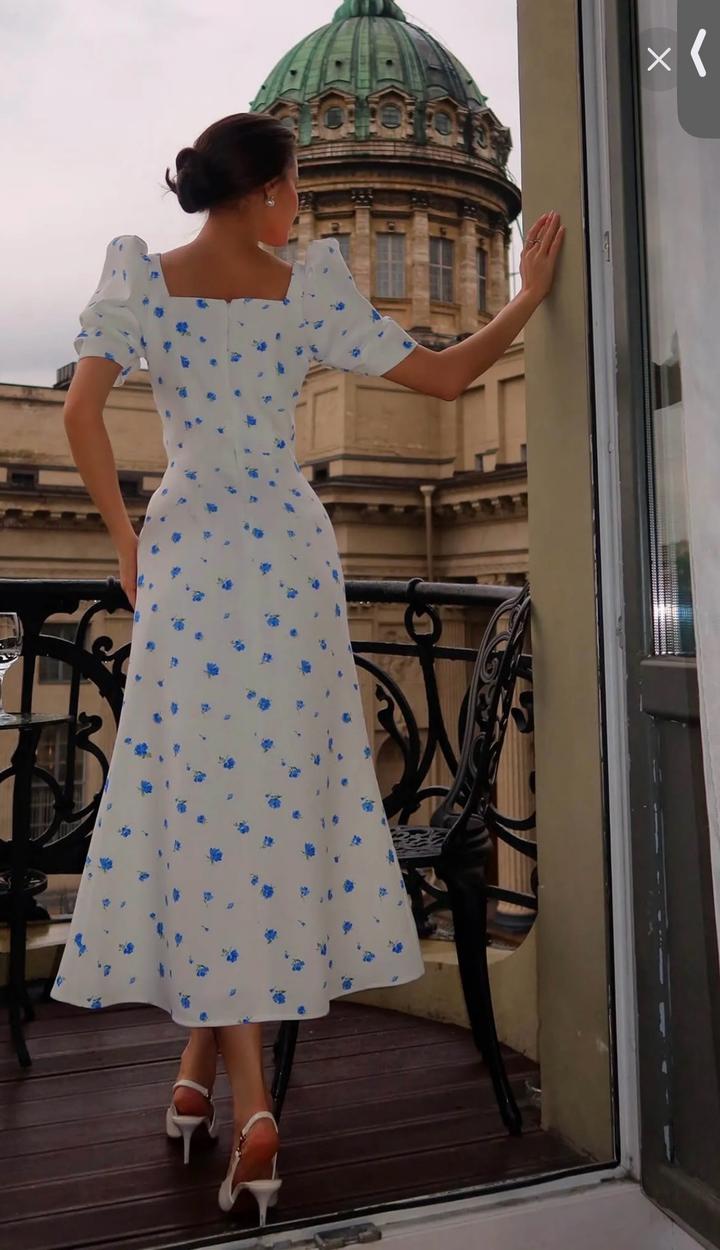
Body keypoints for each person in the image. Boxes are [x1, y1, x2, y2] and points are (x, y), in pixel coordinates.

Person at [54, 110, 564, 1225]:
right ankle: (236, 1099)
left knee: (207, 810)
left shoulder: (141, 274)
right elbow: (445, 378)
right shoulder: (307, 287)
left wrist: (126, 541)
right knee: (264, 810)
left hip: (190, 555)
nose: (303, 207)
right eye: (295, 188)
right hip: (288, 561)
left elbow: (81, 414)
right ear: (267, 192)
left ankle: (224, 1092)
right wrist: (525, 298)